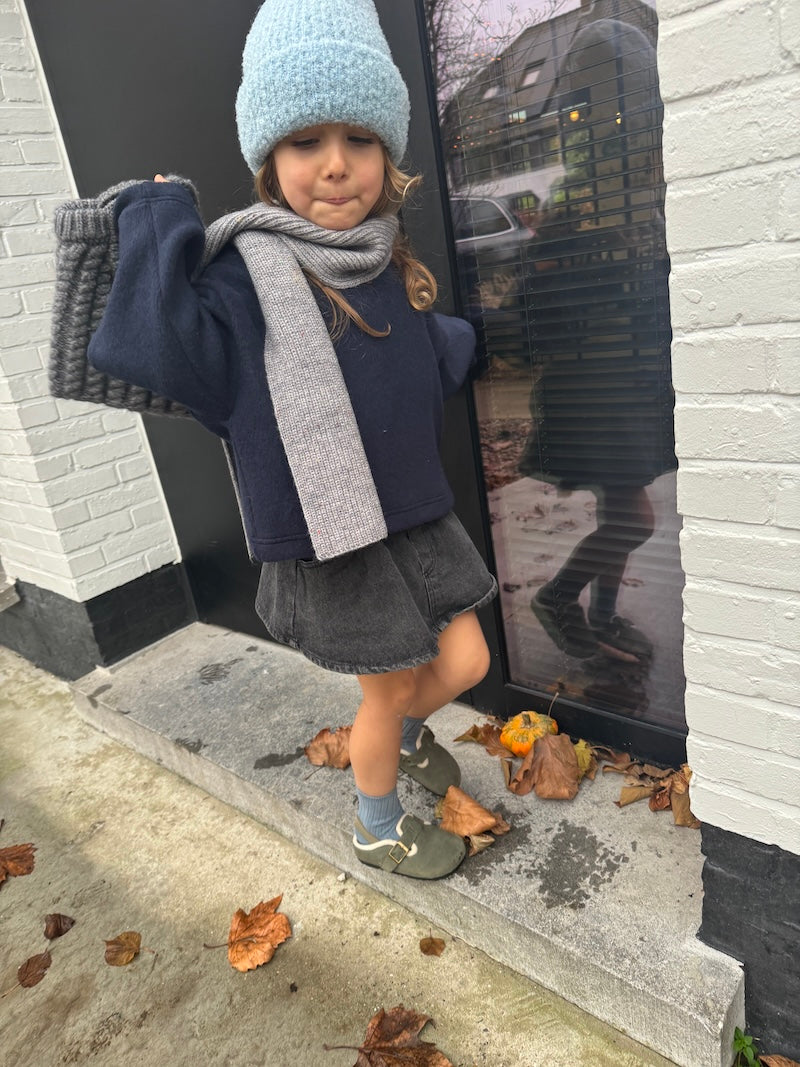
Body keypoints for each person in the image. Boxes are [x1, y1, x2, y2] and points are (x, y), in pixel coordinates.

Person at [79, 0, 497, 881]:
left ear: (389, 155)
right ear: (269, 157)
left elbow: (415, 346)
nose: (336, 164)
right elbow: (157, 346)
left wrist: (463, 344)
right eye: (306, 141)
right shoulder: (245, 283)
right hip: (335, 542)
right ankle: (376, 821)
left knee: (466, 657)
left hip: (413, 522)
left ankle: (405, 738)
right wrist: (157, 219)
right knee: (384, 689)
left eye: (360, 138)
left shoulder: (383, 256)